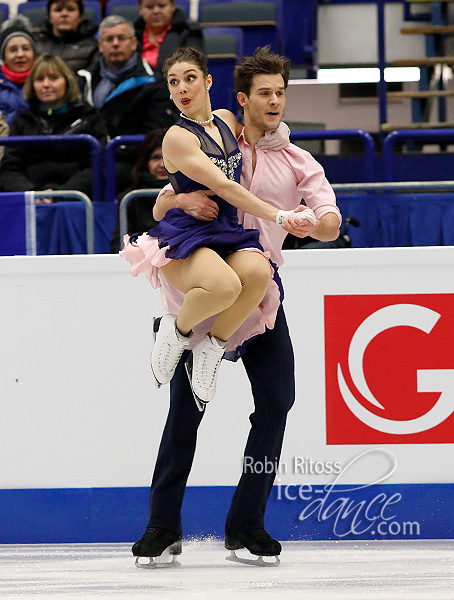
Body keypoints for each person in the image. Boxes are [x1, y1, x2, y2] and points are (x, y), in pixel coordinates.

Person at [129, 46, 341, 565]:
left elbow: (333, 221)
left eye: (280, 93)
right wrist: (178, 200)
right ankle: (162, 526)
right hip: (206, 284)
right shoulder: (217, 135)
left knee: (277, 403)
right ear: (242, 98)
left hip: (259, 294)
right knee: (186, 409)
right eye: (264, 93)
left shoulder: (299, 160)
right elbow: (163, 200)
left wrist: (312, 223)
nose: (274, 101)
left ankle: (246, 524)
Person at [121, 46, 315, 408]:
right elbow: (226, 186)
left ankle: (211, 348)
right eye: (174, 82)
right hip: (187, 235)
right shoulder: (177, 137)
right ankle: (174, 332)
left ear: (208, 81)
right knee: (224, 285)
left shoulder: (226, 119)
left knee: (260, 274)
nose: (182, 88)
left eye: (190, 78)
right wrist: (280, 215)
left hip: (224, 229)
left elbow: (261, 133)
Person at [77, 15, 177, 195]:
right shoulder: (84, 80)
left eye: (121, 38)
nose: (115, 44)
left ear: (133, 43)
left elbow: (154, 133)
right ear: (100, 46)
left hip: (131, 159)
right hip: (87, 156)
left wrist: (115, 150)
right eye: (109, 39)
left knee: (100, 177)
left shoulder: (153, 82)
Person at [0, 53, 108, 199]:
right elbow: (9, 169)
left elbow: (98, 167)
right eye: (39, 79)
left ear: (67, 82)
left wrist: (62, 193)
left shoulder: (89, 117)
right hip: (31, 203)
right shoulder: (22, 120)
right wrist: (34, 194)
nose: (46, 84)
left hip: (78, 201)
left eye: (53, 78)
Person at [110, 127, 169, 254]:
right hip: (142, 262)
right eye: (156, 157)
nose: (162, 164)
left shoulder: (192, 194)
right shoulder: (130, 198)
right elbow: (118, 245)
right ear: (145, 162)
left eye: (168, 158)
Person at [134, 0, 204, 73]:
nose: (156, 11)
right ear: (140, 9)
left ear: (172, 6)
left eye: (162, 6)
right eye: (149, 7)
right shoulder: (131, 34)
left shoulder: (189, 32)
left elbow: (193, 69)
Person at [35, 0, 99, 72]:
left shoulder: (93, 47)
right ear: (49, 16)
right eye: (58, 10)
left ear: (80, 16)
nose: (64, 14)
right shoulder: (35, 44)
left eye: (71, 9)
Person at [0, 16, 36, 126]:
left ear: (34, 54)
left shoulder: (46, 81)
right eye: (13, 50)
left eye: (25, 49)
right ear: (4, 57)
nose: (20, 55)